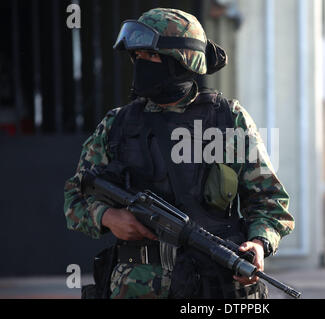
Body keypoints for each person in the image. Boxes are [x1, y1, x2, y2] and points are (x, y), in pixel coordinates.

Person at [64, 8, 294, 299]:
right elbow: (75, 195)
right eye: (137, 56)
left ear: (181, 61)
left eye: (151, 56)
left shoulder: (227, 119)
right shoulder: (118, 124)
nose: (140, 63)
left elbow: (270, 203)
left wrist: (259, 244)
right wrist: (107, 217)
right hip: (134, 287)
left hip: (212, 286)